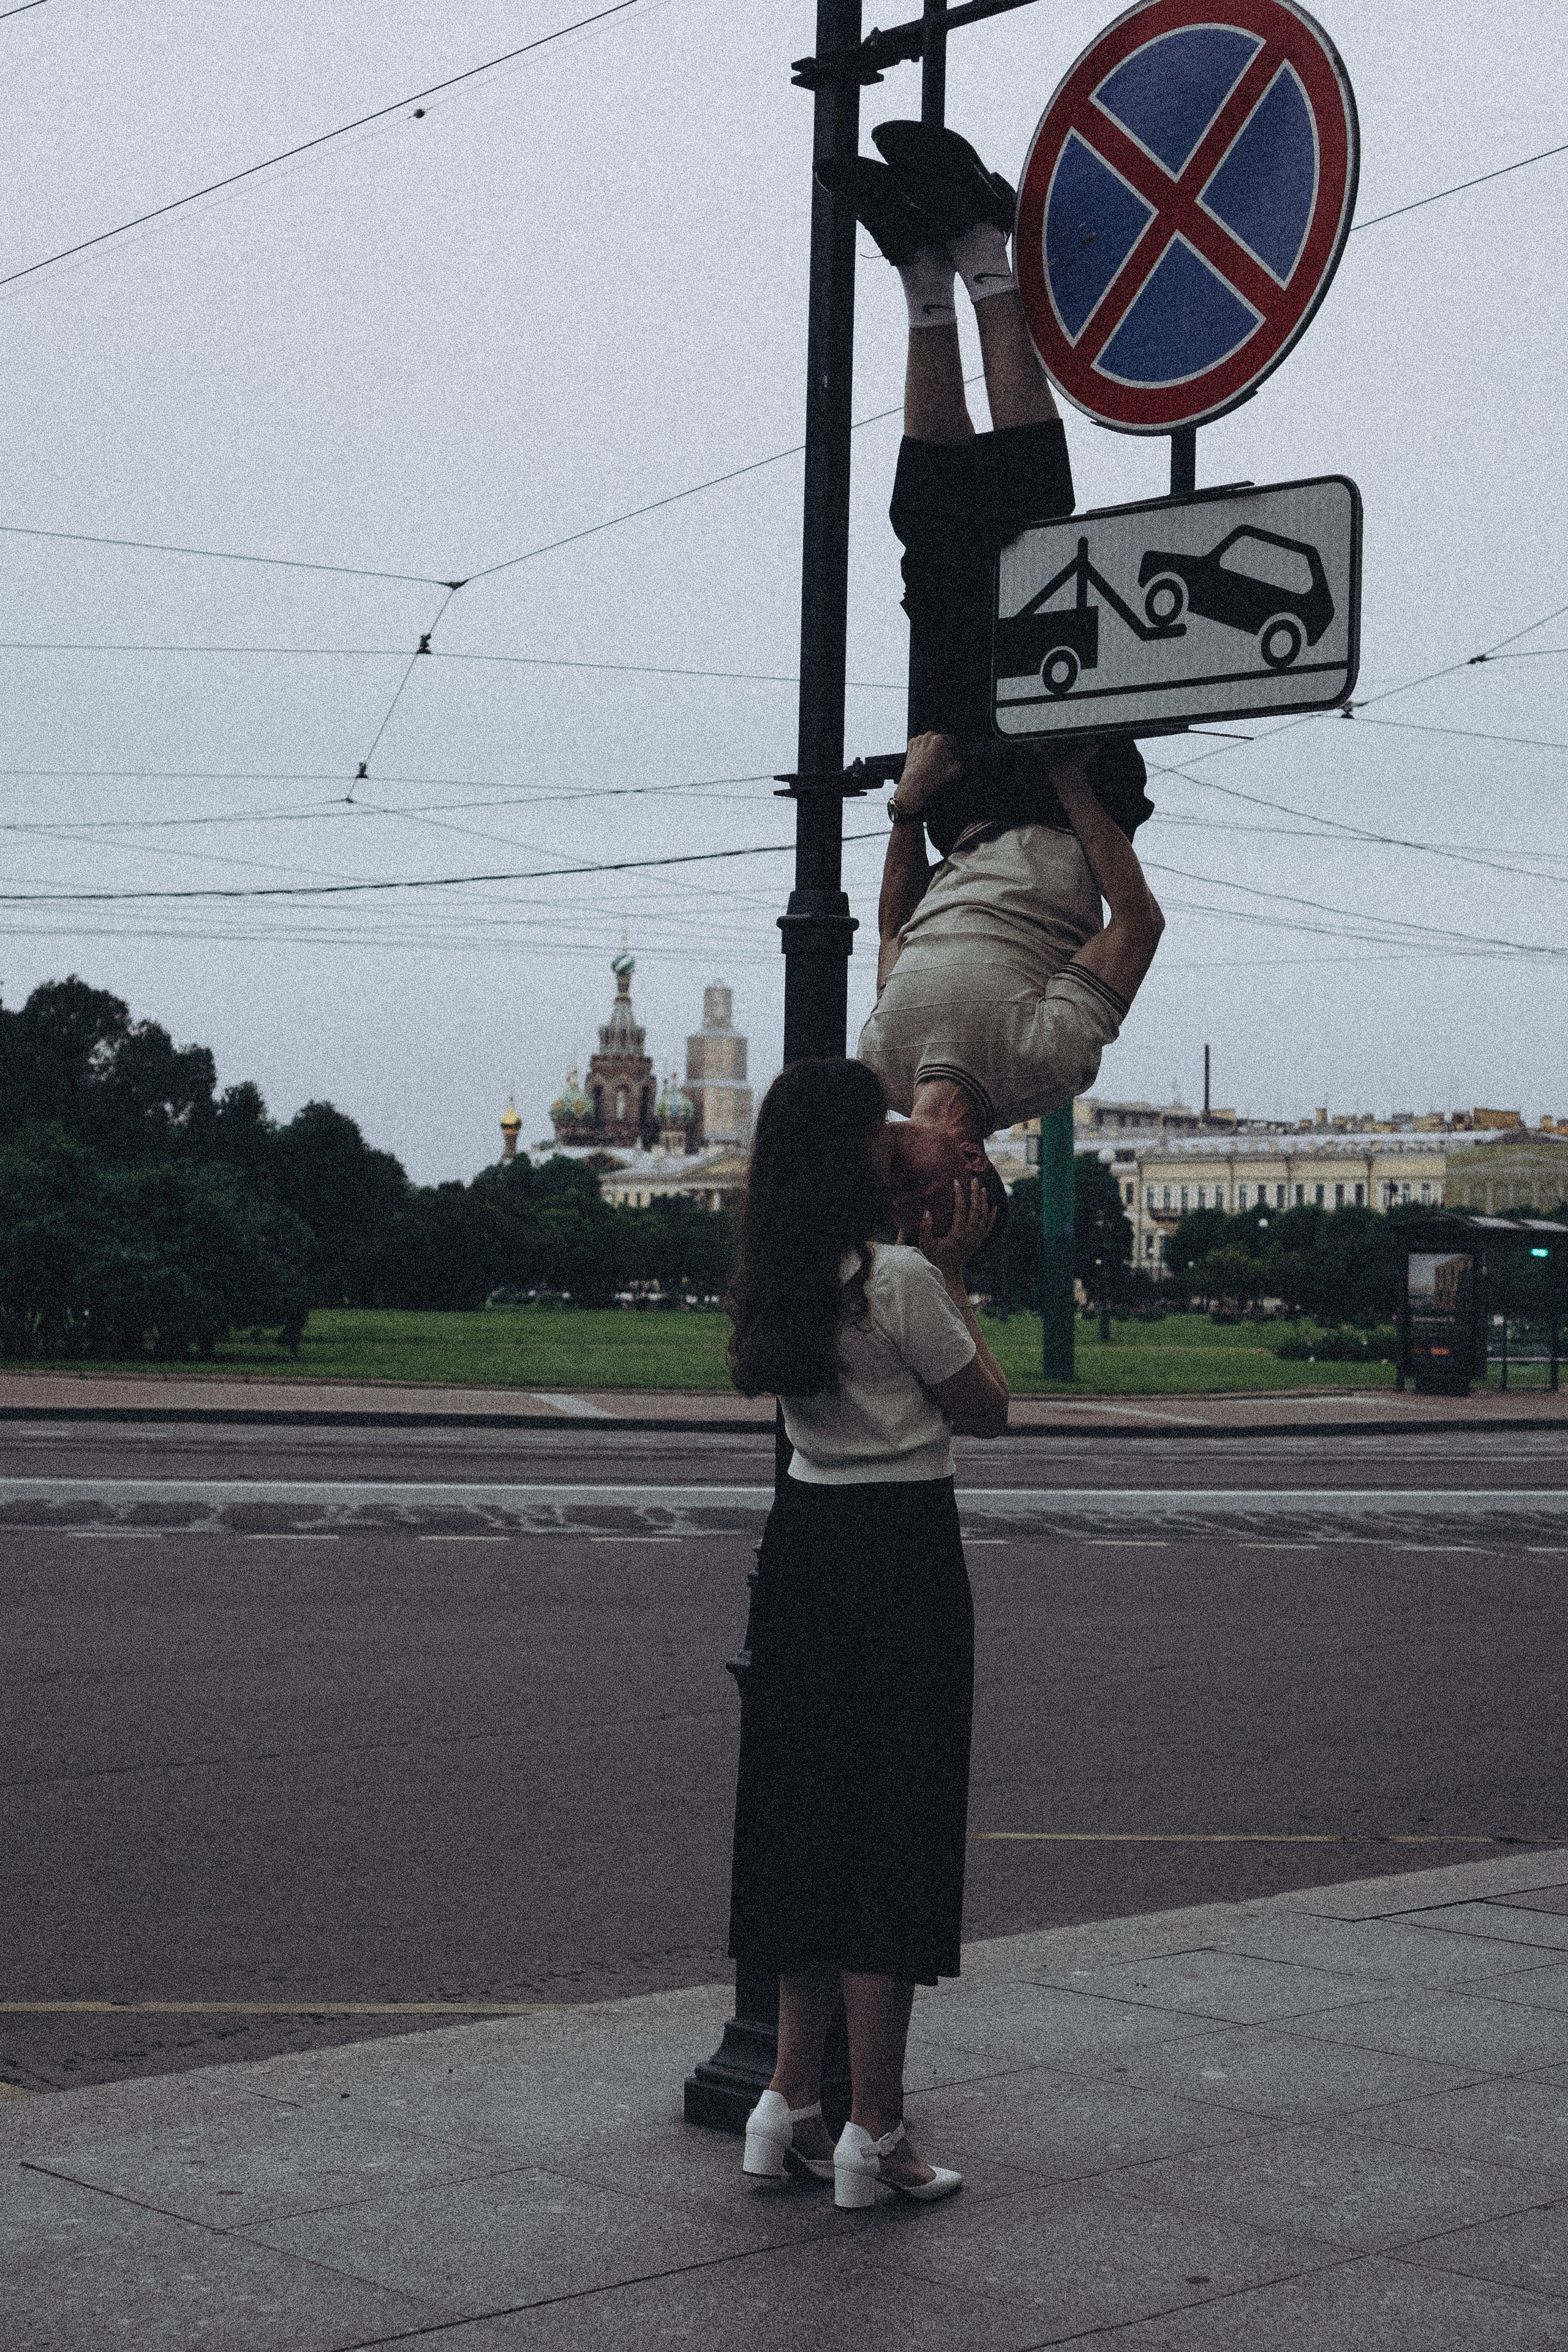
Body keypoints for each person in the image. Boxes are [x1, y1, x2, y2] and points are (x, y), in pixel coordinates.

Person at [816, 123, 1166, 1186]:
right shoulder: (1040, 1072)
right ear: (971, 1160)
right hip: (1060, 800)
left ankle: (922, 279)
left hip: (957, 802)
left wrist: (905, 811)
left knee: (929, 543)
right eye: (918, 1183)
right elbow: (1138, 925)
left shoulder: (880, 1067)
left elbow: (894, 935)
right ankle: (983, 247)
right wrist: (1073, 776)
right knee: (1027, 528)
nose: (893, 1171)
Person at [725, 1057, 1008, 2209]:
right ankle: (875, 2129)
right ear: (854, 1152)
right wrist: (954, 1272)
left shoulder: (778, 1278)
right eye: (882, 1122)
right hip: (902, 1554)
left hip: (802, 1554)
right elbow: (989, 1409)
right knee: (895, 1827)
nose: (900, 1131)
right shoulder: (898, 1280)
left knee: (803, 1822)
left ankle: (784, 2104)